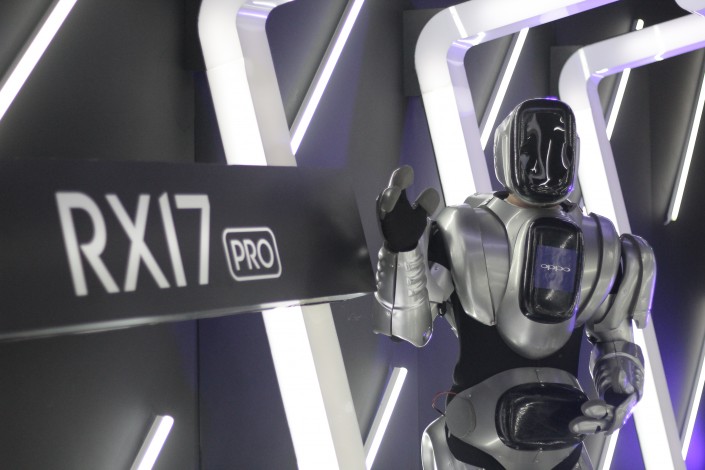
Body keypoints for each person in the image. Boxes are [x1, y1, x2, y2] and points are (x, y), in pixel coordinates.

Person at [373, 98, 655, 469]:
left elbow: (616, 344)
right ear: (507, 152)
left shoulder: (603, 245)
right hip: (476, 446)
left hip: (564, 447)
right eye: (531, 148)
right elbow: (408, 328)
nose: (543, 164)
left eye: (558, 149)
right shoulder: (462, 230)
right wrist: (403, 250)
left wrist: (620, 394)